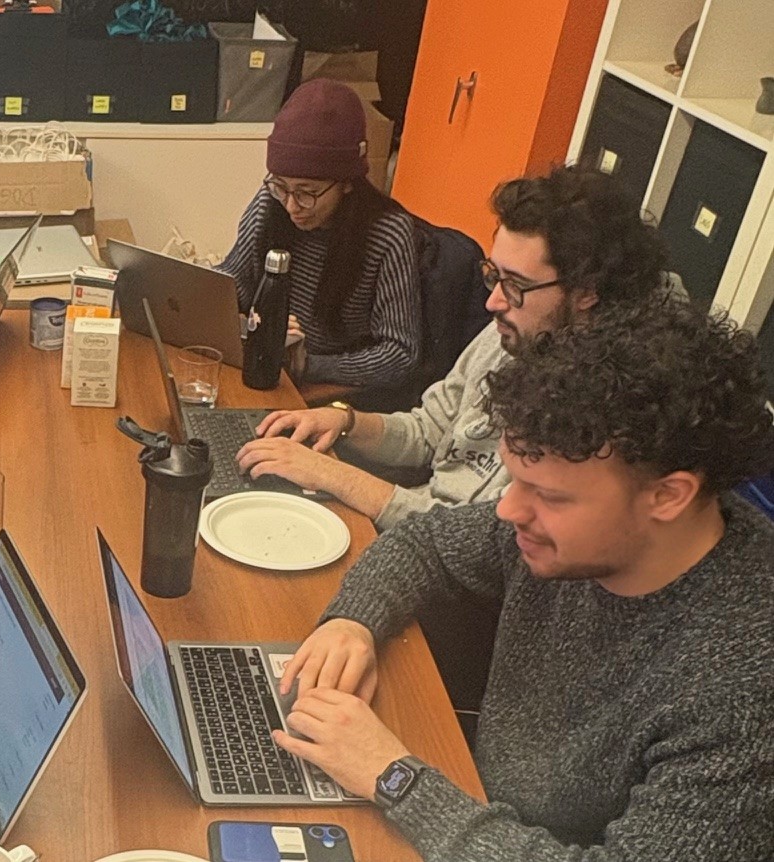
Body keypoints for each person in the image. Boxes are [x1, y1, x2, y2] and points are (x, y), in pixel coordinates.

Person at [268, 299, 774, 860]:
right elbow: (425, 542)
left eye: (548, 496)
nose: (509, 511)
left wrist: (395, 778)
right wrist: (353, 623)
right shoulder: (580, 531)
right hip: (474, 802)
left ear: (668, 496)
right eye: (516, 480)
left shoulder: (742, 689)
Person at [237, 165, 670, 532]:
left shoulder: (605, 410)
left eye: (516, 285)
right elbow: (430, 430)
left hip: (443, 553)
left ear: (586, 292)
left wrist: (334, 476)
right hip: (413, 524)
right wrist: (345, 420)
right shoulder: (518, 329)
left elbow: (476, 543)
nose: (493, 302)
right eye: (494, 276)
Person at [218, 78, 421, 403]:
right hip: (262, 364)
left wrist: (307, 363)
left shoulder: (388, 233)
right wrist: (208, 298)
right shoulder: (271, 202)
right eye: (281, 186)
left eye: (308, 193)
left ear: (347, 183)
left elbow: (400, 353)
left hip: (321, 387)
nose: (292, 206)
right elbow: (236, 280)